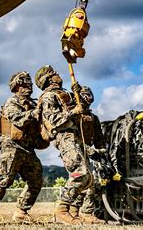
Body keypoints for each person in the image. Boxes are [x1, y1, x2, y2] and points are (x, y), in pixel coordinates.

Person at [0, 71, 43, 227]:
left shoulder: (33, 104)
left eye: (29, 84)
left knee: (36, 180)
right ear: (16, 87)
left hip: (28, 149)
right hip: (11, 147)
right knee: (3, 180)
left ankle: (21, 213)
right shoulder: (12, 102)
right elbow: (18, 119)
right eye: (23, 84)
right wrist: (34, 113)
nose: (28, 87)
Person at [34, 65, 90, 225]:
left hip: (77, 136)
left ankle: (74, 212)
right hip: (65, 137)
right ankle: (62, 210)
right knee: (80, 173)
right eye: (54, 73)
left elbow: (84, 106)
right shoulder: (48, 97)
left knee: (88, 178)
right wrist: (74, 112)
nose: (58, 74)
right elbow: (53, 120)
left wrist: (79, 94)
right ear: (48, 79)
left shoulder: (64, 94)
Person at [70, 85, 107, 224]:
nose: (88, 98)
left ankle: (78, 212)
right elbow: (69, 137)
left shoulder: (93, 117)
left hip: (87, 152)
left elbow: (99, 138)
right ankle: (74, 211)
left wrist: (102, 151)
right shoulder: (73, 115)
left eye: (89, 94)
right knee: (82, 180)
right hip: (74, 152)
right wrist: (86, 148)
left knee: (90, 181)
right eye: (84, 95)